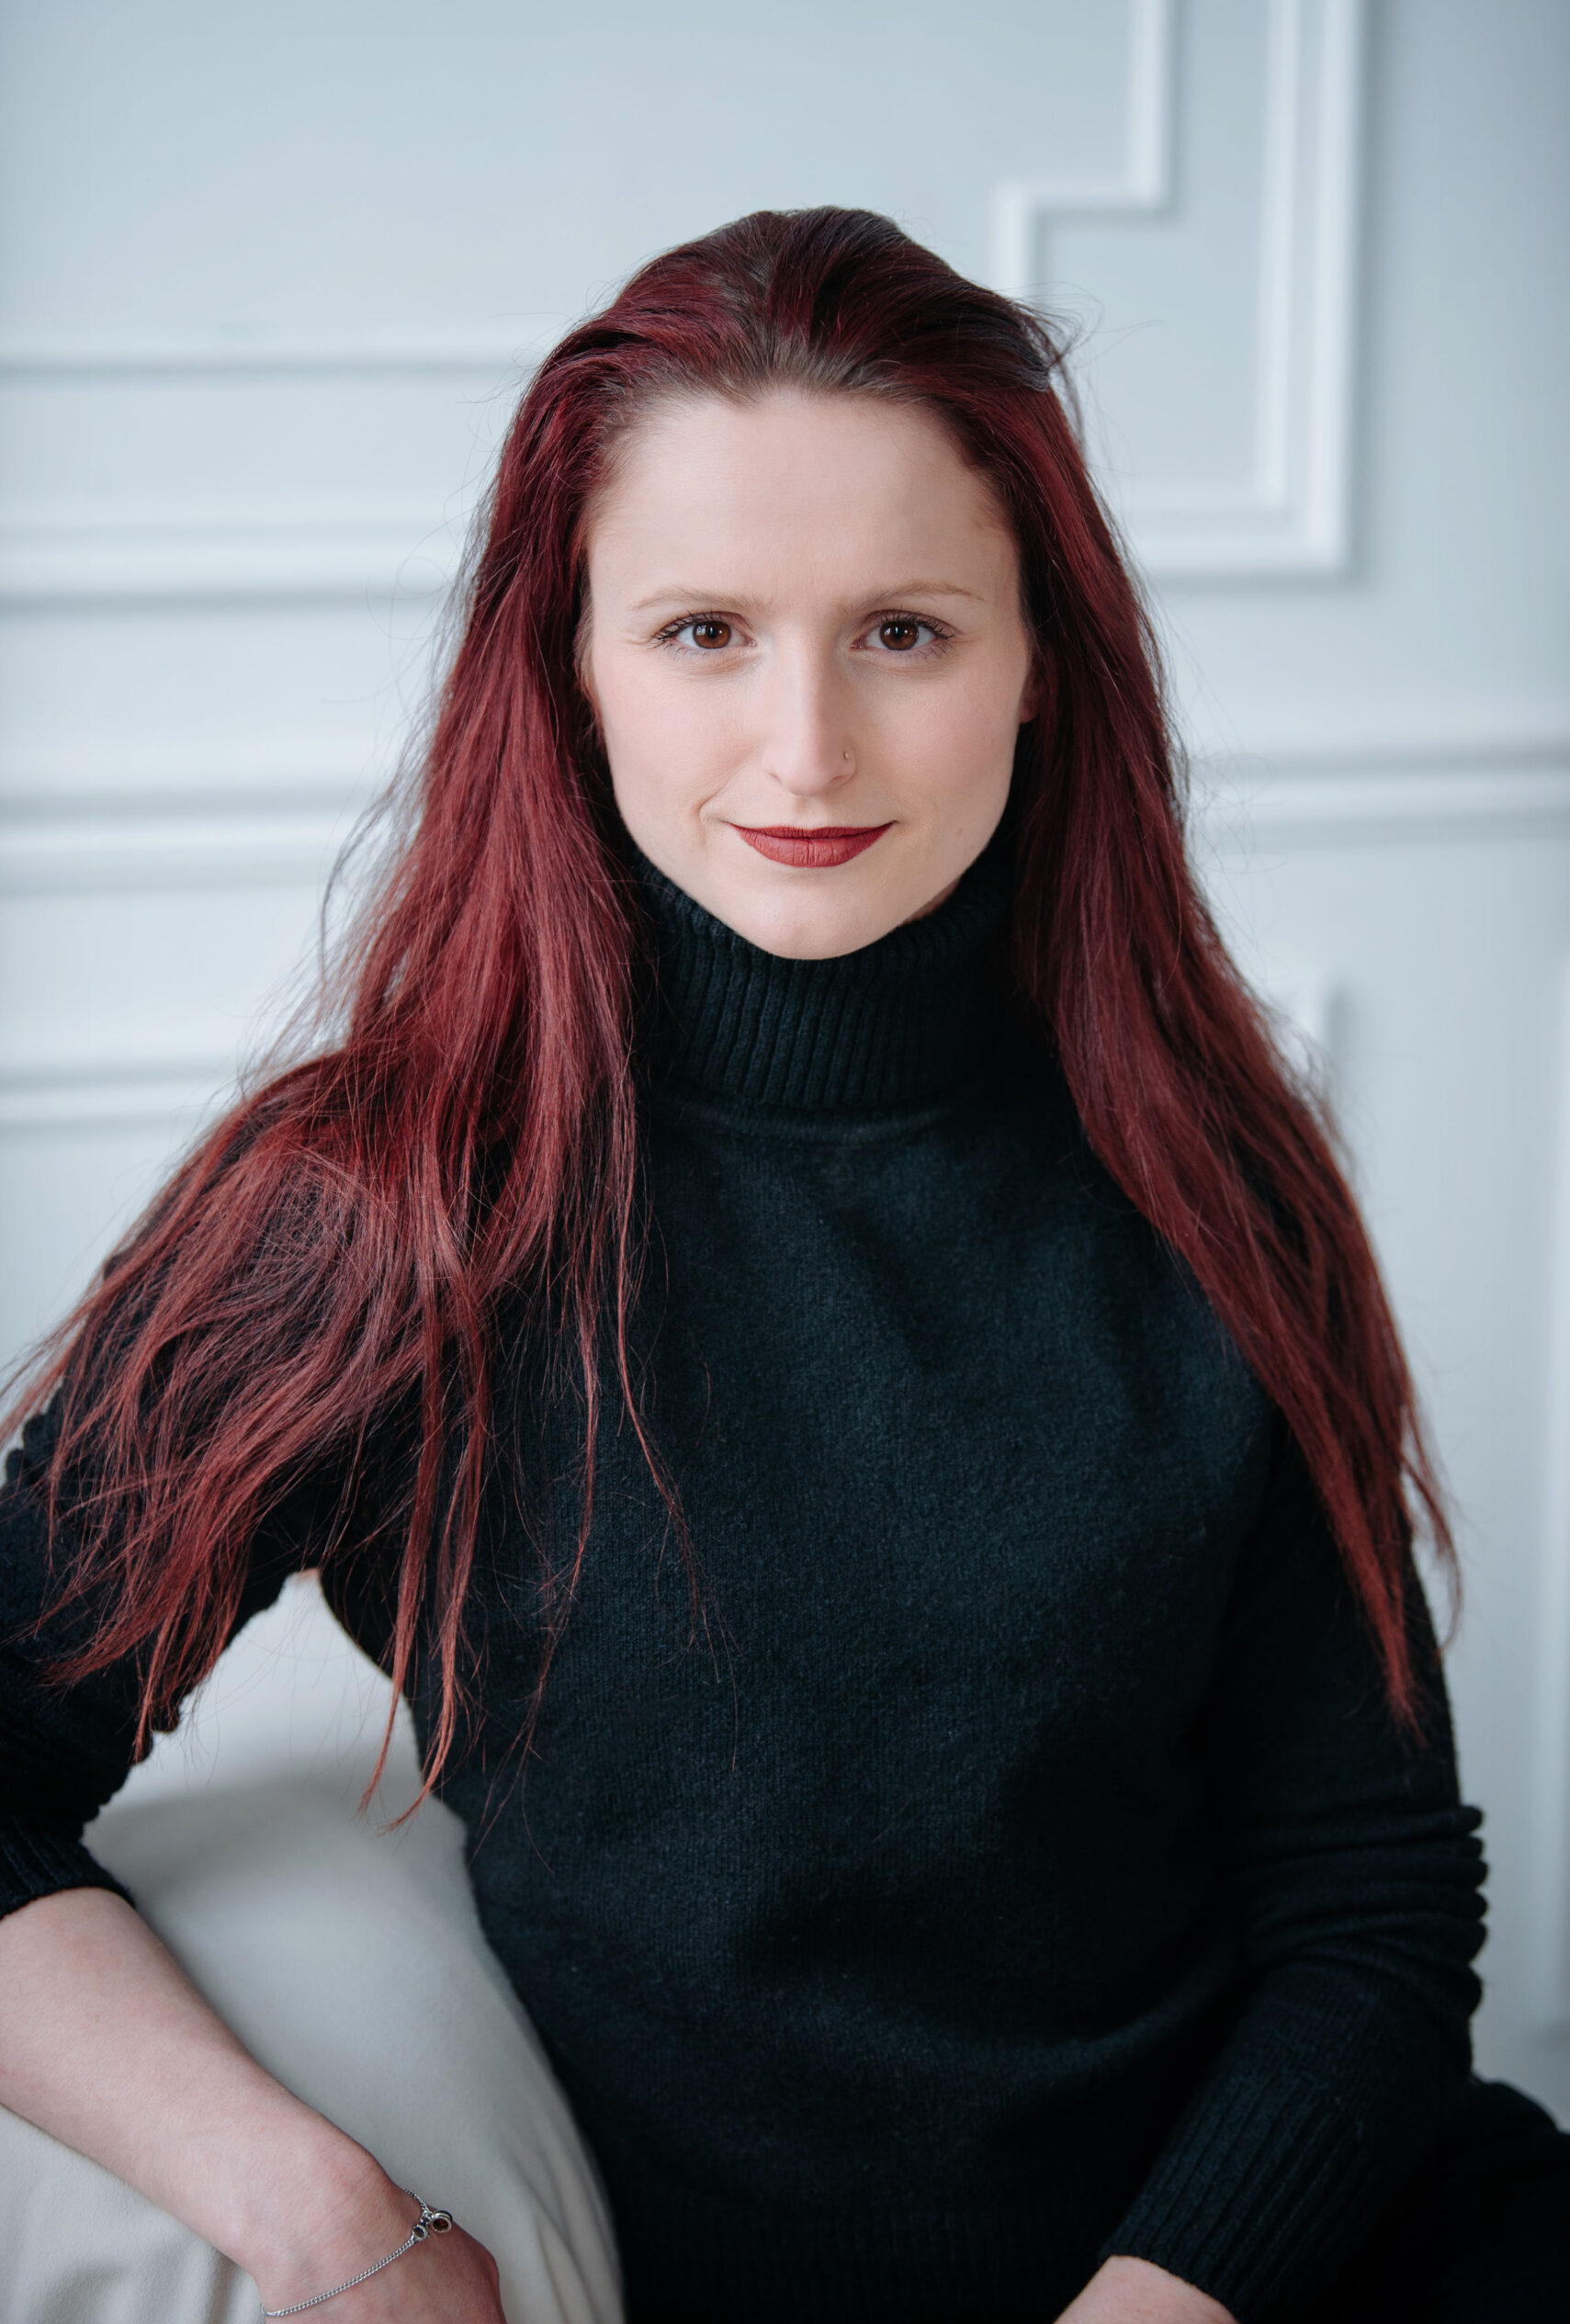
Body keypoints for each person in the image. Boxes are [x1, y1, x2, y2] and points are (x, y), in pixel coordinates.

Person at [0, 207, 1564, 2324]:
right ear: (569, 664)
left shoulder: (1209, 1169)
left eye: (903, 630)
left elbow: (1369, 1913)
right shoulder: (375, 1210)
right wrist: (323, 2209)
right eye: (705, 631)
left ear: (1039, 662)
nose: (808, 747)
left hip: (1280, 2262)